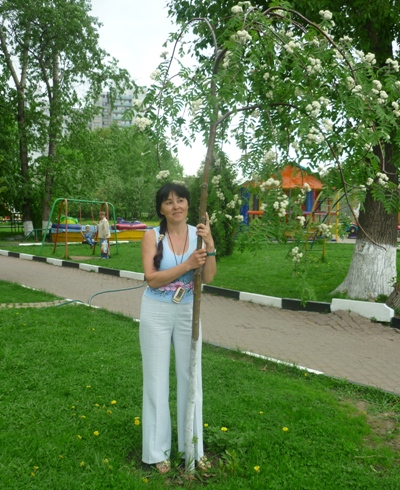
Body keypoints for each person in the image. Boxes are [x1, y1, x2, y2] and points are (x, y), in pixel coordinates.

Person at [139, 182, 216, 473]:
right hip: (156, 310)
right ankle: (157, 453)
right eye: (169, 202)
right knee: (156, 379)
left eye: (181, 200)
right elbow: (152, 278)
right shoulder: (152, 236)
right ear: (161, 208)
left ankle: (193, 449)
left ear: (188, 204)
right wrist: (186, 265)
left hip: (188, 311)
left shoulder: (199, 235)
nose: (176, 206)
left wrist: (209, 246)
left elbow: (208, 277)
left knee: (191, 377)